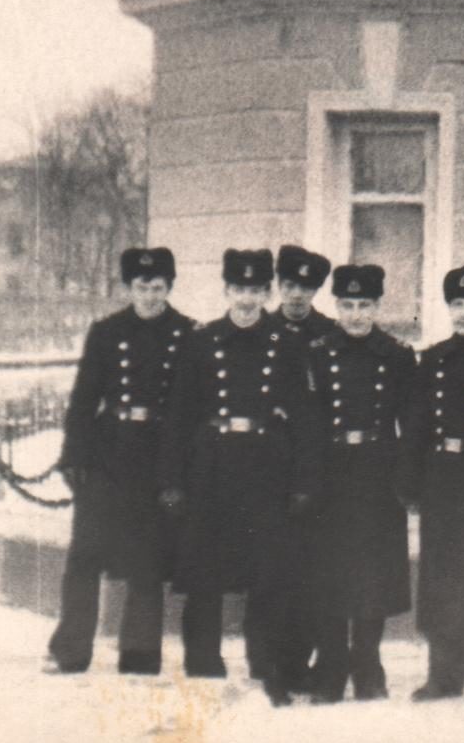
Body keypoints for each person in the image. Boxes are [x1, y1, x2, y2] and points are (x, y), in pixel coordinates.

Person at [157, 248, 322, 706]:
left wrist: (304, 482)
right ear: (226, 290)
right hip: (212, 467)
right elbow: (178, 416)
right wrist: (172, 479)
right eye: (239, 289)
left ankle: (264, 664)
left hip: (268, 468)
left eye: (255, 290)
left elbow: (306, 418)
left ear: (267, 293)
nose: (247, 300)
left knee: (269, 572)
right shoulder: (202, 341)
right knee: (204, 567)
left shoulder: (287, 344)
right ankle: (202, 663)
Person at [47, 246, 193, 676]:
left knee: (147, 560)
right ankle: (71, 651)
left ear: (169, 288)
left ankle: (140, 655)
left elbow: (190, 410)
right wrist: (74, 456)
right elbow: (83, 400)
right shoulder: (106, 332)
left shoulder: (187, 334)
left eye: (158, 287)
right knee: (85, 555)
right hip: (108, 455)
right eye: (142, 287)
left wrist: (178, 474)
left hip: (159, 456)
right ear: (129, 287)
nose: (149, 295)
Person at [307, 263, 415, 704]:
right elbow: (306, 422)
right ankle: (332, 666)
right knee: (328, 569)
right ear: (336, 306)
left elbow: (411, 423)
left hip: (377, 474)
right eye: (348, 305)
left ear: (377, 306)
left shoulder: (397, 355)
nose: (355, 314)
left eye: (364, 305)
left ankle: (368, 664)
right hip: (329, 473)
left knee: (374, 572)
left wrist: (406, 480)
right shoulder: (317, 353)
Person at [400, 264, 464, 703]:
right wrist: (410, 483)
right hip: (441, 477)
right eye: (457, 304)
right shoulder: (434, 359)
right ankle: (443, 675)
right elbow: (416, 425)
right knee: (439, 575)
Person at [241, 242, 335, 687]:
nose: (297, 294)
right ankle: (263, 661)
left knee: (306, 573)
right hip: (263, 470)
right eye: (290, 285)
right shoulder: (258, 329)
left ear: (316, 291)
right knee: (265, 570)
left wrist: (312, 476)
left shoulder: (329, 335)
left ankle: (297, 663)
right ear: (278, 286)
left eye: (306, 287)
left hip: (313, 470)